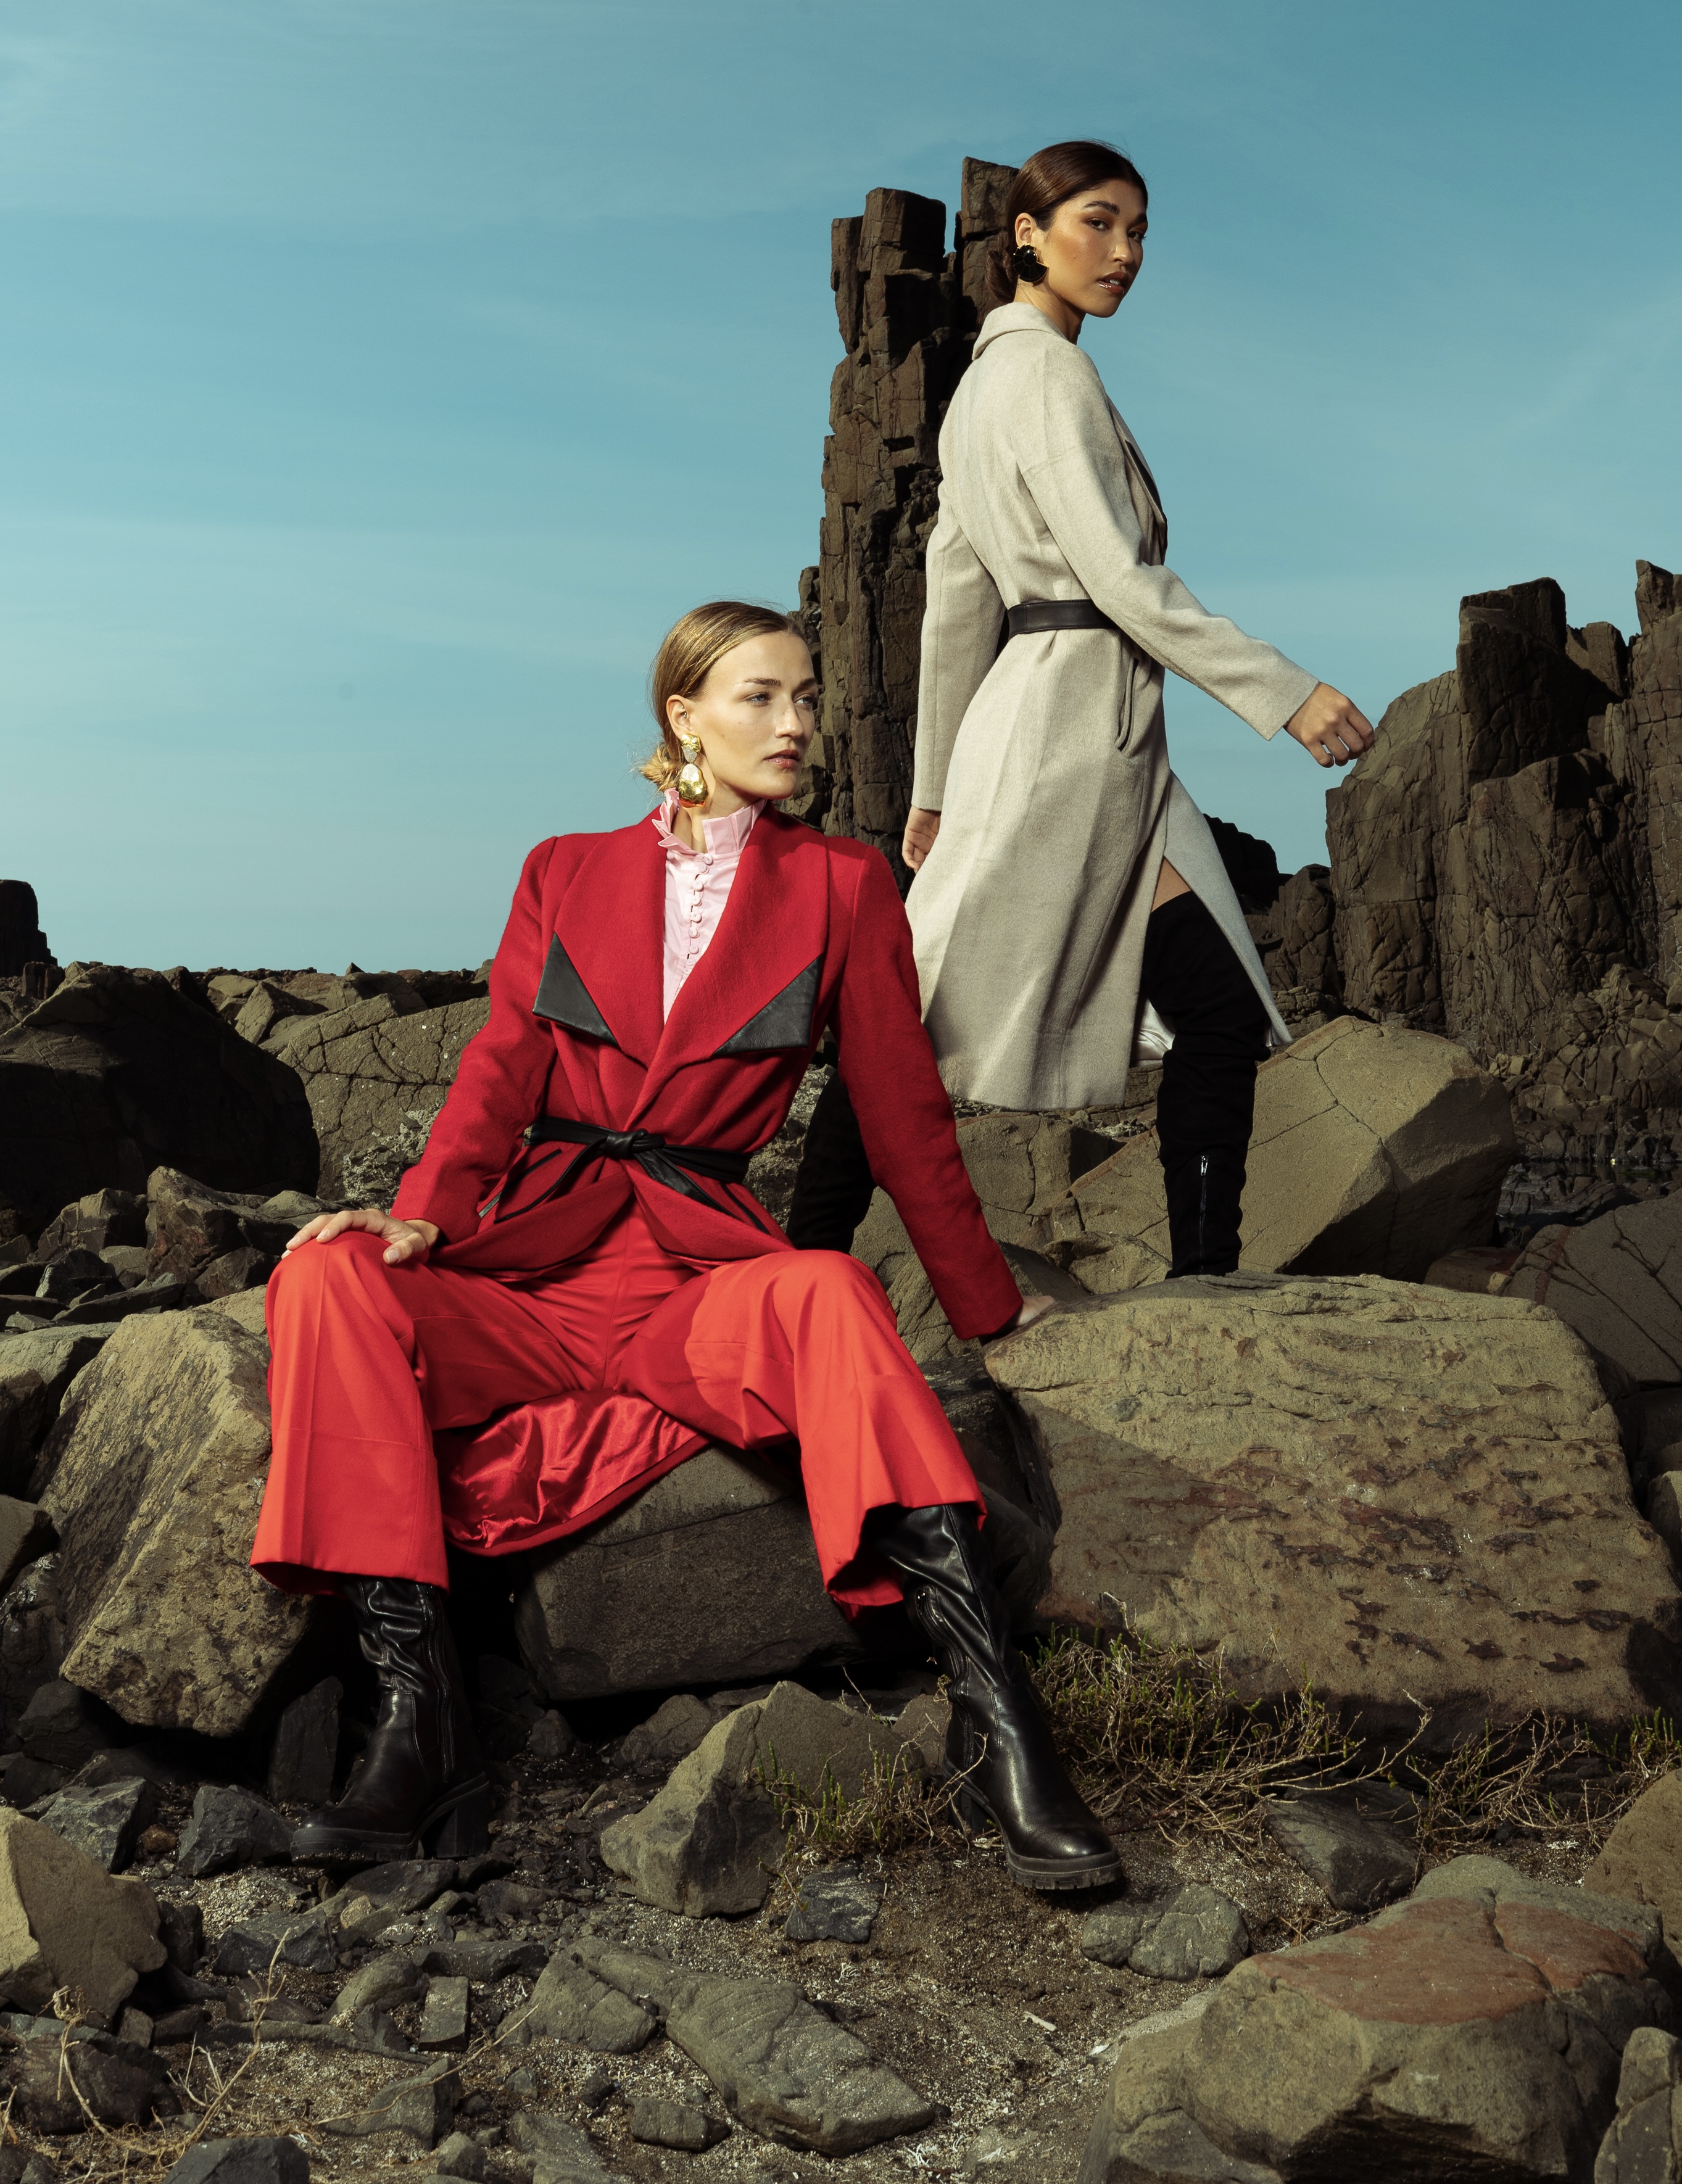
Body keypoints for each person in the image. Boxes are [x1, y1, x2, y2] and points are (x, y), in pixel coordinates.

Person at [251, 600, 1120, 1893]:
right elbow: (500, 1062)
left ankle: (1004, 1733)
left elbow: (900, 1112)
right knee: (326, 1273)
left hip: (696, 1283)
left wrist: (986, 1307)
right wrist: (421, 1211)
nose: (797, 722)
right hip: (535, 1269)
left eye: (808, 696)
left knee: (826, 1290)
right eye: (761, 696)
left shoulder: (843, 883)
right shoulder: (563, 868)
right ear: (684, 718)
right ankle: (418, 1731)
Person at [893, 139, 1373, 1279]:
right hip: (1067, 735)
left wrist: (929, 793)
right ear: (1027, 235)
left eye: (1140, 231)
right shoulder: (1049, 376)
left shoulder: (981, 389)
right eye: (1099, 224)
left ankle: (1207, 1277)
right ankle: (1202, 1279)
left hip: (1078, 737)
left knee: (941, 1018)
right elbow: (1117, 581)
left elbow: (954, 606)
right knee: (923, 1025)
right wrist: (1285, 693)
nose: (1125, 253)